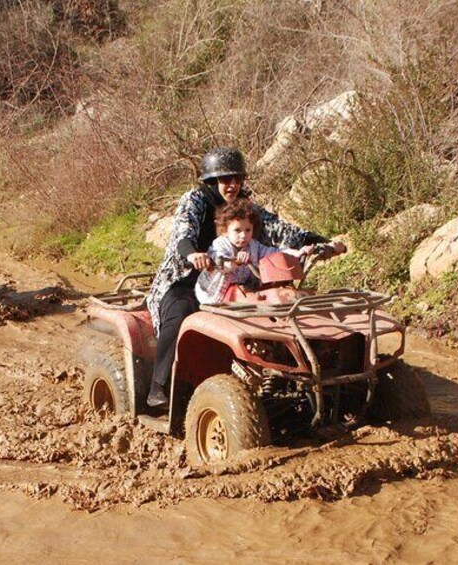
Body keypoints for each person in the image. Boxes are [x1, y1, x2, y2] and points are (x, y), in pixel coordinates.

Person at [145, 146, 346, 408]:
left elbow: (281, 230)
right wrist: (193, 254)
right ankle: (158, 387)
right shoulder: (196, 200)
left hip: (238, 280)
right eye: (225, 179)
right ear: (211, 180)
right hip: (187, 280)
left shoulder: (244, 207)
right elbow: (183, 234)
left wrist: (320, 243)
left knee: (278, 308)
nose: (232, 185)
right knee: (180, 313)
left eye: (237, 178)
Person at [194, 199, 286, 305]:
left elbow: (271, 252)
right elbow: (222, 264)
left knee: (263, 294)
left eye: (248, 230)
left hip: (240, 288)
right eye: (237, 230)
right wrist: (237, 261)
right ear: (224, 230)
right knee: (244, 300)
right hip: (213, 293)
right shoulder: (219, 245)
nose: (243, 236)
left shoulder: (253, 245)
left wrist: (291, 253)